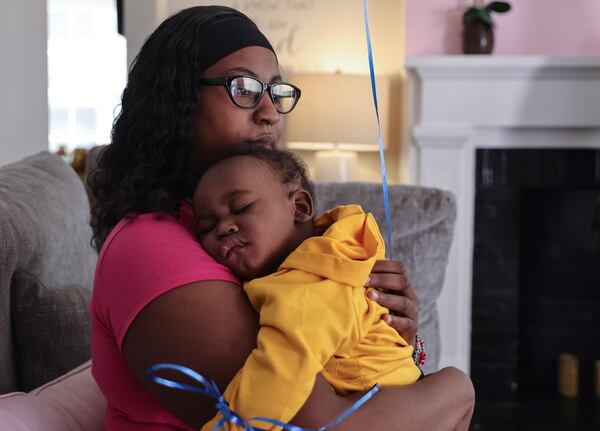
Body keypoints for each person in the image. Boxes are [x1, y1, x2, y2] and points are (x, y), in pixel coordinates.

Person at [89, 5, 474, 431]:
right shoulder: (151, 245)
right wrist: (451, 394)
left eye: (276, 91)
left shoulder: (274, 231)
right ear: (177, 102)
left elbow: (339, 376)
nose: (270, 112)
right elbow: (313, 423)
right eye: (244, 88)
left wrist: (387, 333)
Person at [192, 149, 424, 430]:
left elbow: (278, 375)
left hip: (387, 408)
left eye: (241, 207)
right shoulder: (315, 264)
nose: (224, 227)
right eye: (207, 226)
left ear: (299, 207)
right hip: (397, 400)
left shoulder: (312, 283)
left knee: (456, 384)